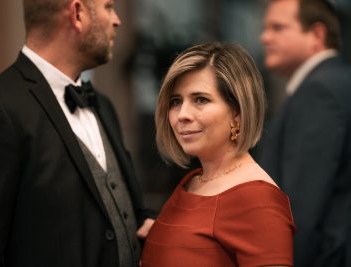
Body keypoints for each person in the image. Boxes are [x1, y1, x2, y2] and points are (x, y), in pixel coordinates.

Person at [0, 0, 154, 266]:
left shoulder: (103, 105)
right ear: (78, 13)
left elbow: (120, 210)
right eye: (108, 7)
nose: (117, 20)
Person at [140, 42, 295, 267]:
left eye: (200, 100)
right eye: (176, 101)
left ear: (238, 112)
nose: (182, 114)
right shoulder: (192, 181)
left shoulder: (258, 200)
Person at [259, 0, 351, 266]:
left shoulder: (318, 92)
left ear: (317, 35)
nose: (264, 37)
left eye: (278, 27)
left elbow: (300, 210)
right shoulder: (337, 83)